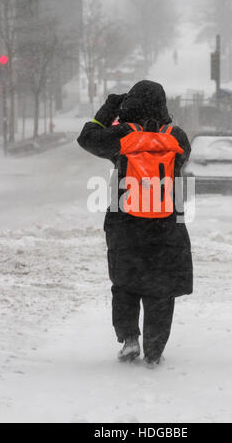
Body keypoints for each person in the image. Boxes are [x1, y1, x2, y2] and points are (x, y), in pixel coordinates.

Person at [77, 80, 193, 368]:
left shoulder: (122, 135)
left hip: (125, 222)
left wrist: (109, 108)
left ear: (131, 103)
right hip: (167, 223)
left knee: (125, 283)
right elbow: (182, 167)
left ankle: (129, 338)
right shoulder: (177, 136)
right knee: (161, 288)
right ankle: (154, 350)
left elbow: (87, 137)